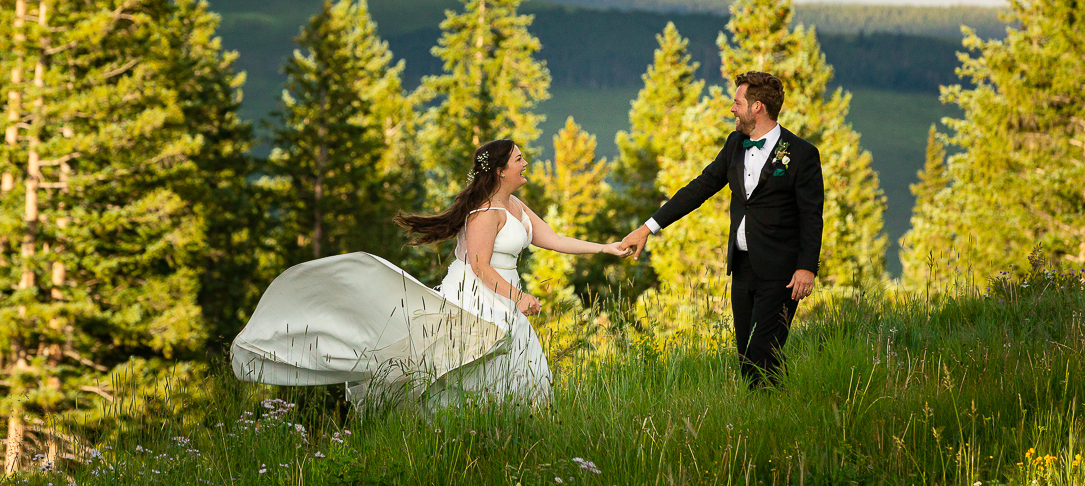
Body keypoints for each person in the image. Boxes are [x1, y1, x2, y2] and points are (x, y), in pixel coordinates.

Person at [231, 138, 629, 408]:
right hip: (478, 296)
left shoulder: (516, 207)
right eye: (519, 158)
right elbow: (478, 266)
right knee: (472, 365)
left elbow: (552, 237)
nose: (526, 163)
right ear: (501, 171)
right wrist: (519, 296)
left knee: (517, 366)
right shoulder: (485, 214)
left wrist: (606, 248)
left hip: (502, 296)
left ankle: (509, 427)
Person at [619, 71, 823, 388]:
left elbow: (812, 215)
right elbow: (699, 189)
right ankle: (768, 414)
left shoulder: (801, 154)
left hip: (781, 273)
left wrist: (807, 267)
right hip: (742, 267)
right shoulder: (734, 145)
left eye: (737, 102)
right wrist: (648, 228)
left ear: (757, 107)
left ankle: (773, 413)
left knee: (762, 352)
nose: (732, 109)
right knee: (747, 356)